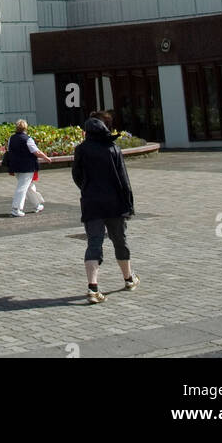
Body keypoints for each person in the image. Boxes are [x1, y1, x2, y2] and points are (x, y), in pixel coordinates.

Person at [71, 111, 139, 303]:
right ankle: (128, 278)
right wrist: (129, 204)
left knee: (94, 242)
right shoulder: (113, 148)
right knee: (120, 240)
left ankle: (93, 287)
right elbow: (124, 180)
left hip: (91, 202)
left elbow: (77, 175)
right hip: (114, 203)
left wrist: (87, 189)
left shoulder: (81, 150)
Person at [6, 119, 52, 216]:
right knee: (22, 187)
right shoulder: (28, 139)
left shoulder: (11, 138)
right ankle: (16, 208)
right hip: (27, 167)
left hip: (16, 166)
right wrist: (46, 158)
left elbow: (10, 150)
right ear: (25, 128)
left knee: (28, 187)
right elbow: (37, 152)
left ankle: (37, 205)